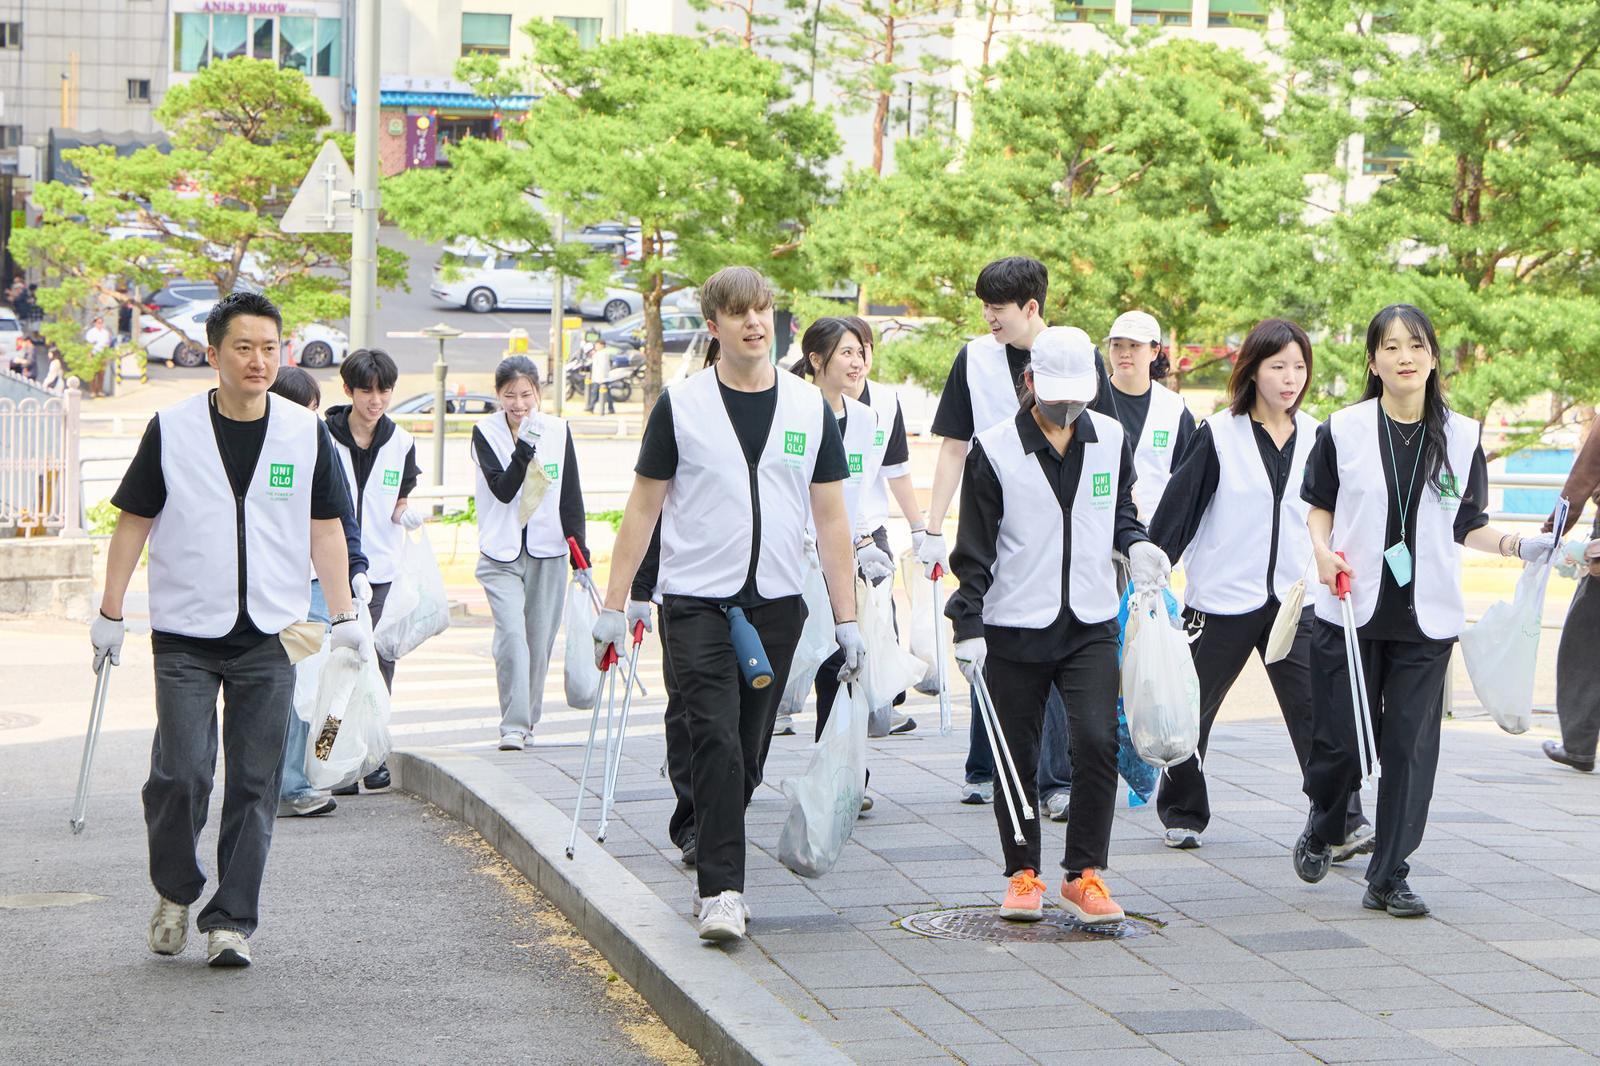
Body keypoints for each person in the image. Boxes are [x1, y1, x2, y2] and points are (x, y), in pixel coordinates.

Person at [90, 291, 372, 968]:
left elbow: (326, 528)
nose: (258, 360)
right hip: (185, 632)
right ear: (213, 355)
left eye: (270, 348)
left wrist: (344, 615)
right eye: (243, 347)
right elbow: (134, 521)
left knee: (255, 780)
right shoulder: (172, 428)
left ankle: (232, 921)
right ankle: (175, 889)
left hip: (270, 633)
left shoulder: (304, 433)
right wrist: (109, 612)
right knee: (182, 774)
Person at [596, 265, 863, 943]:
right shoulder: (681, 406)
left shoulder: (807, 408)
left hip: (777, 604)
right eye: (739, 313)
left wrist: (848, 618)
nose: (754, 323)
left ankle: (710, 834)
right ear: (713, 327)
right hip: (697, 605)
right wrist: (615, 603)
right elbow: (642, 508)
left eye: (762, 310)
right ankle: (721, 891)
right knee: (713, 737)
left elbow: (832, 518)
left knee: (747, 748)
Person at [1294, 303, 1556, 918]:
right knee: (1340, 746)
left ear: (1434, 357)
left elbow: (1468, 523)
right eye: (1390, 347)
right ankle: (1325, 821)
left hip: (1426, 619)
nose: (1404, 357)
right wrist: (1323, 552)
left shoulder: (1462, 436)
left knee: (1410, 750)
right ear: (1373, 362)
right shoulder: (1343, 429)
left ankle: (1389, 875)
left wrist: (1519, 546)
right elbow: (1319, 504)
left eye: (1415, 345)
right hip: (1350, 610)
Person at [947, 326, 1170, 924]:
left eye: (1078, 395)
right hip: (1015, 623)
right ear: (1029, 383)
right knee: (1015, 753)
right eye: (1056, 395)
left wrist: (1137, 544)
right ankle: (1022, 873)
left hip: (1091, 620)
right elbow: (975, 547)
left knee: (1097, 740)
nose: (1068, 407)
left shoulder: (1111, 439)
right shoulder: (994, 449)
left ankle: (1084, 874)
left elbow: (1120, 510)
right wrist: (967, 623)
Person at [1148, 319, 1370, 854]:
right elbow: (1179, 510)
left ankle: (1340, 823)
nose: (1291, 378)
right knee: (1191, 710)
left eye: (1299, 367)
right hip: (1220, 600)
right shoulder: (1217, 434)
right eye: (1278, 367)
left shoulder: (1321, 435)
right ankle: (1183, 811)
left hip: (1295, 600)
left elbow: (1339, 512)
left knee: (1319, 715)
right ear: (1252, 370)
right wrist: (1151, 575)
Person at [915, 257, 1112, 813]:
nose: (988, 317)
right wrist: (933, 526)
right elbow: (954, 445)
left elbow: (1103, 441)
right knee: (992, 637)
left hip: (1062, 529)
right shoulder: (974, 357)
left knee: (1055, 638)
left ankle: (1053, 780)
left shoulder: (1075, 354)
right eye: (984, 307)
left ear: (1031, 307)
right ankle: (985, 765)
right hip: (993, 521)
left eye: (997, 308)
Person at [789, 316, 892, 802]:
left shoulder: (867, 419)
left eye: (860, 352)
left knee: (841, 668)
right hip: (788, 561)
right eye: (846, 353)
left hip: (838, 561)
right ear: (816, 360)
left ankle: (844, 779)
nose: (857, 363)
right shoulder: (790, 410)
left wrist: (865, 543)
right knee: (778, 676)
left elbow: (860, 492)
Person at [267, 366, 371, 818]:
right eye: (302, 409)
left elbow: (341, 516)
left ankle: (314, 773)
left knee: (321, 686)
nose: (310, 418)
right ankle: (287, 783)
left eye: (313, 409)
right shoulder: (258, 447)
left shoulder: (319, 445)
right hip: (271, 586)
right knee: (287, 688)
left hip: (315, 584)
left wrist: (356, 569)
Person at [472, 355, 590, 750]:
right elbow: (503, 490)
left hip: (548, 550)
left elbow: (570, 496)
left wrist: (581, 555)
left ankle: (528, 723)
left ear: (538, 392)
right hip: (500, 553)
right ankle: (513, 725)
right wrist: (523, 447)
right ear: (498, 395)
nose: (519, 404)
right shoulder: (484, 433)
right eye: (510, 396)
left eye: (526, 395)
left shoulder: (558, 430)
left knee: (538, 643)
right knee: (511, 638)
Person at [323, 348, 420, 795]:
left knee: (379, 664)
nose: (376, 400)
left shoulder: (401, 442)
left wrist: (405, 514)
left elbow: (400, 497)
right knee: (336, 667)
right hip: (329, 569)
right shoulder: (324, 436)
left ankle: (373, 756)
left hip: (380, 570)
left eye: (384, 391)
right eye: (366, 391)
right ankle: (331, 759)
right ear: (348, 390)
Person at [1102, 311, 1195, 523]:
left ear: (1155, 351)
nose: (1124, 353)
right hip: (1099, 527)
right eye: (1117, 345)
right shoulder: (1091, 401)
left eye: (1134, 345)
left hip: (1152, 530)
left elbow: (1188, 479)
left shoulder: (1174, 409)